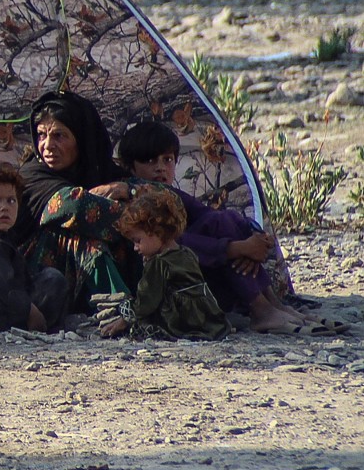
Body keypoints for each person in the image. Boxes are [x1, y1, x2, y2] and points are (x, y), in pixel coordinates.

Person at [117, 121, 345, 335]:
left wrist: (254, 238)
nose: (160, 168)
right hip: (171, 288)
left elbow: (209, 216)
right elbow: (171, 244)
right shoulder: (134, 203)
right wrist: (235, 248)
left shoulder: (171, 196)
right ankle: (261, 310)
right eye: (149, 162)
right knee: (219, 225)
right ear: (131, 168)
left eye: (167, 160)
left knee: (225, 219)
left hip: (197, 278)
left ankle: (272, 304)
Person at [12, 90, 139, 312]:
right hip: (39, 283)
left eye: (59, 136)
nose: (47, 145)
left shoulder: (103, 172)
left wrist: (129, 190)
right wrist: (145, 219)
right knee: (85, 238)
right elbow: (74, 207)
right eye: (41, 135)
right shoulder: (32, 175)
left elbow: (165, 198)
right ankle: (118, 312)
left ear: (81, 139)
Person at [101, 190, 230, 340]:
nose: (135, 248)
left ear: (157, 232)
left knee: (139, 327)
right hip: (204, 316)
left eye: (138, 241)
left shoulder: (159, 263)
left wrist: (124, 319)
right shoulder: (186, 253)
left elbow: (146, 302)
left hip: (179, 320)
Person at [0, 162, 68, 333]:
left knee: (48, 276)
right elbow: (7, 289)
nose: (4, 207)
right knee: (53, 279)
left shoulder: (1, 238)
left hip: (6, 312)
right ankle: (43, 327)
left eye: (11, 200)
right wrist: (32, 313)